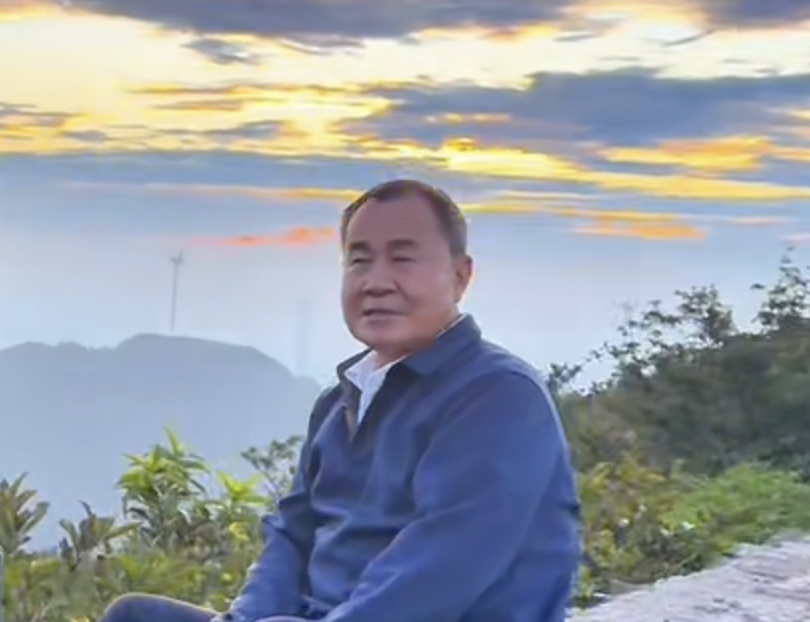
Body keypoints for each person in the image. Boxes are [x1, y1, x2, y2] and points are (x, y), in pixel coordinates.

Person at [100, 179, 582, 622]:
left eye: (403, 258)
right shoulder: (339, 402)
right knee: (134, 617)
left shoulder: (498, 397)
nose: (376, 281)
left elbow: (435, 575)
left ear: (460, 276)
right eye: (359, 260)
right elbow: (292, 534)